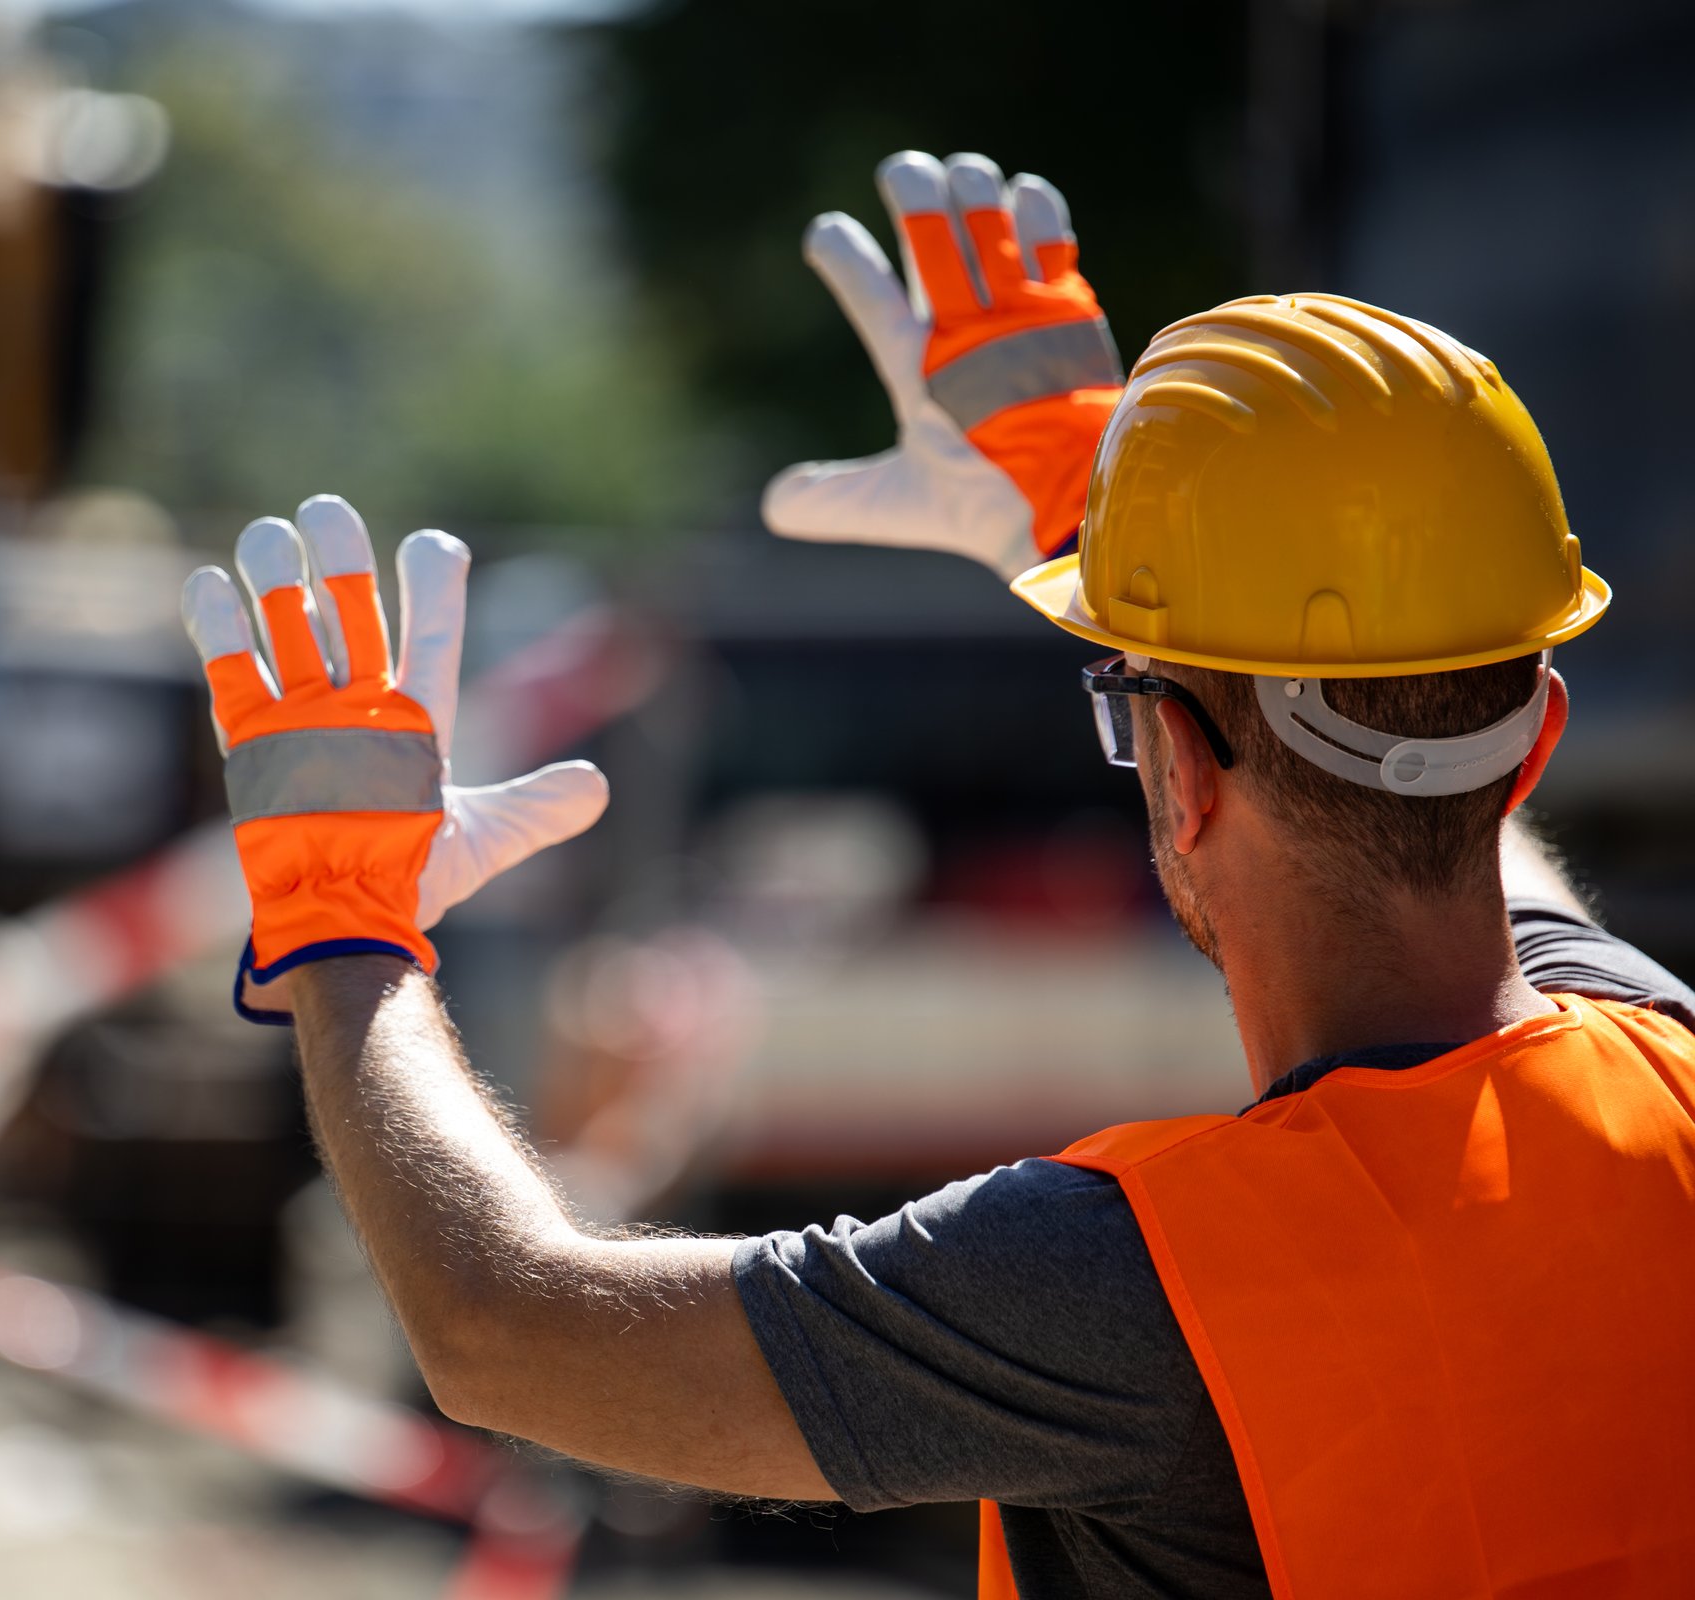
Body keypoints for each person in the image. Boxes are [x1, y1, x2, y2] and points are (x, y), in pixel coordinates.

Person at [176, 151, 1695, 1599]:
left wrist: (339, 931)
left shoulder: (1143, 1289)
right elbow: (1461, 818)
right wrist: (1124, 572)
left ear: (1183, 771)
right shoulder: (1665, 1077)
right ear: (1537, 739)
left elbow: (503, 1331)